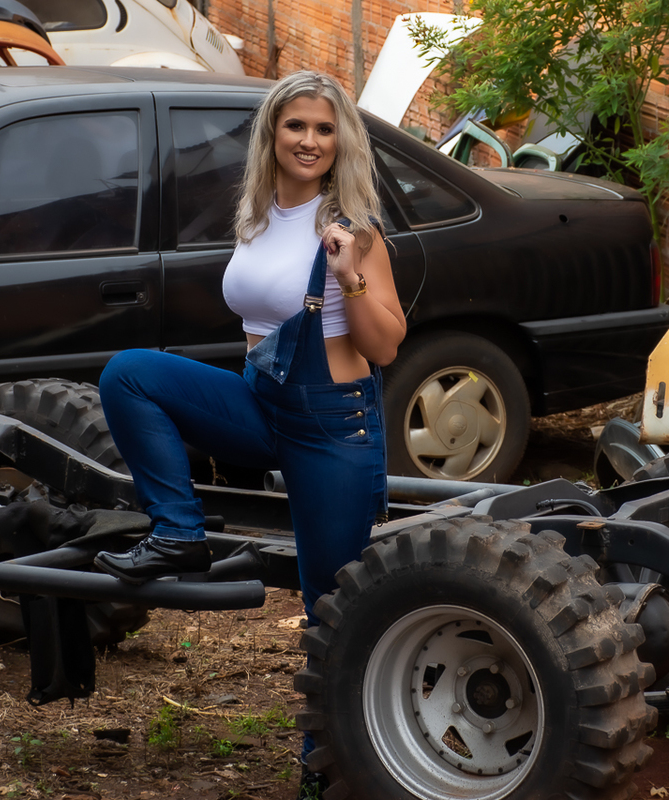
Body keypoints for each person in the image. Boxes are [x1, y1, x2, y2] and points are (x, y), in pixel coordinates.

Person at [91, 70, 406, 798]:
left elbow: (386, 348)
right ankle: (178, 531)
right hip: (263, 404)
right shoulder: (259, 214)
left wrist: (349, 277)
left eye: (324, 129)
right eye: (296, 125)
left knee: (331, 605)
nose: (309, 140)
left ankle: (328, 765)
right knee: (130, 375)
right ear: (272, 132)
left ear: (342, 142)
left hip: (331, 424)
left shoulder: (354, 230)